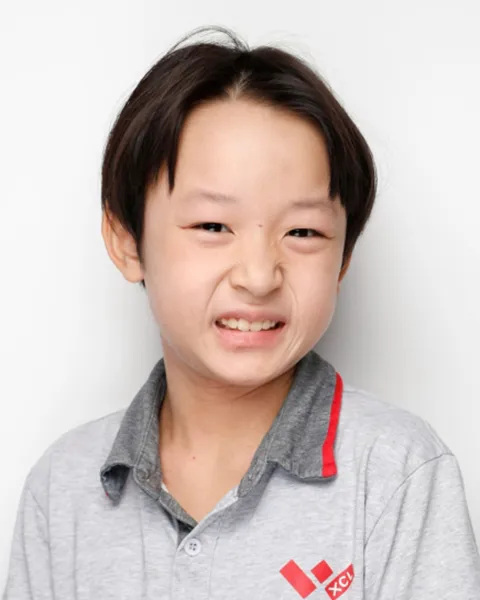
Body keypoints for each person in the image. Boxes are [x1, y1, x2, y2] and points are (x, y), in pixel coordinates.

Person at [4, 26, 480, 600]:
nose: (258, 276)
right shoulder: (62, 488)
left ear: (344, 257)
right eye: (212, 226)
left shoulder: (398, 471)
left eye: (303, 232)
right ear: (127, 241)